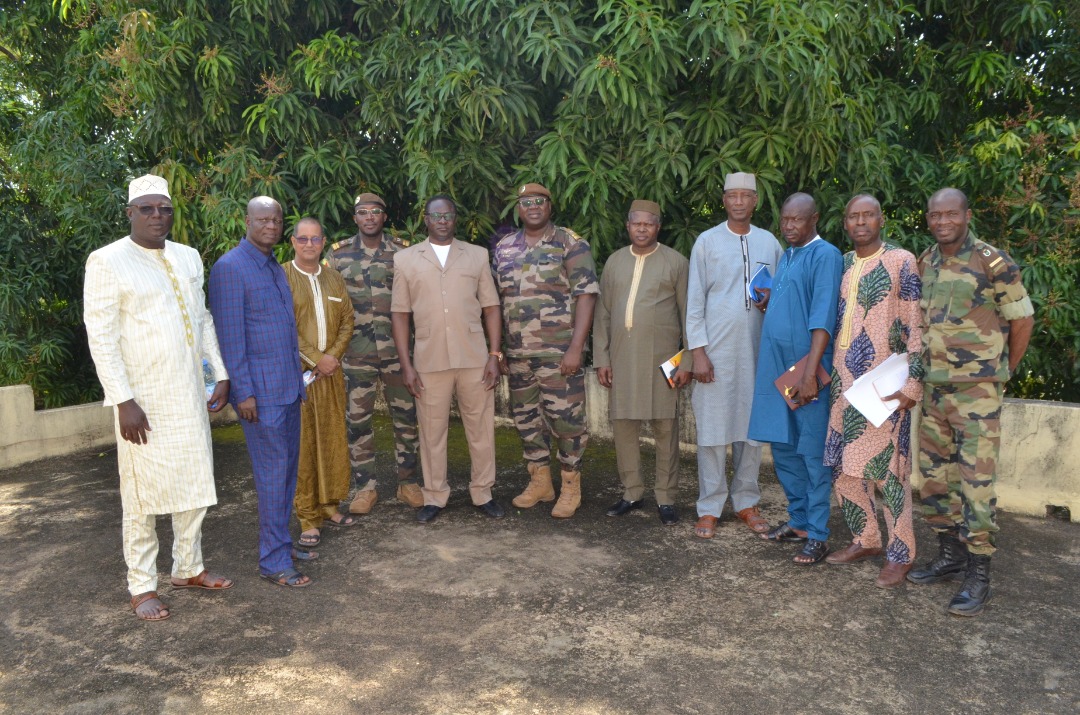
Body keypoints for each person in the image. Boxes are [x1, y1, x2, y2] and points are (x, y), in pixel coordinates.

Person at [84, 174, 233, 621]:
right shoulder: (108, 260)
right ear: (130, 212)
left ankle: (187, 568)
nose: (156, 216)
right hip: (142, 401)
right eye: (146, 209)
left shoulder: (187, 257)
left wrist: (219, 374)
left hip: (187, 394)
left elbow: (201, 319)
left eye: (164, 209)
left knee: (194, 484)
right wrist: (122, 399)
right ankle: (141, 584)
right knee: (142, 495)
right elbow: (102, 335)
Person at [908, 187, 1034, 616]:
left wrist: (1002, 372)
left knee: (976, 486)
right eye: (935, 215)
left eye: (951, 214)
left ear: (966, 215)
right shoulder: (926, 261)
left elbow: (1022, 319)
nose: (943, 221)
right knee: (933, 480)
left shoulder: (992, 261)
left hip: (978, 394)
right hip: (935, 392)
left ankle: (979, 574)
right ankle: (950, 554)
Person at [822, 195, 924, 588]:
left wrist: (913, 383)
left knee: (889, 475)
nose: (861, 222)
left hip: (883, 387)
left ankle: (902, 555)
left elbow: (915, 324)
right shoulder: (844, 264)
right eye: (853, 216)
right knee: (844, 472)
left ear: (881, 219)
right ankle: (866, 539)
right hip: (843, 387)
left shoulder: (901, 261)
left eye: (868, 215)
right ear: (845, 222)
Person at [209, 196, 311, 588]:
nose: (271, 225)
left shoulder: (272, 266)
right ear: (248, 221)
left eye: (277, 219)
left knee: (285, 475)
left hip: (287, 390)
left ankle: (281, 545)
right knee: (272, 477)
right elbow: (230, 338)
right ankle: (273, 561)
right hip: (261, 397)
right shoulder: (231, 268)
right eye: (263, 219)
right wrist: (244, 394)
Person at [390, 195, 504, 523]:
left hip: (474, 359)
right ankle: (435, 496)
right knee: (431, 431)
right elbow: (399, 315)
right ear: (425, 219)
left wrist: (494, 355)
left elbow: (491, 307)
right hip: (428, 361)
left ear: (456, 219)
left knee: (481, 428)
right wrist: (407, 365)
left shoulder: (477, 256)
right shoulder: (406, 259)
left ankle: (483, 492)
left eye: (448, 215)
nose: (442, 221)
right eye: (436, 216)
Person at [685, 172, 783, 539]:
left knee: (750, 432)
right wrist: (698, 353)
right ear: (723, 200)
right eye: (732, 196)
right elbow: (694, 301)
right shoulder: (706, 242)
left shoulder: (770, 242)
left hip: (757, 352)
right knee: (711, 431)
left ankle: (746, 501)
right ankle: (709, 506)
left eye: (746, 196)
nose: (739, 202)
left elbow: (779, 296)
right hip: (715, 352)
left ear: (756, 200)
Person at [493, 183, 599, 519]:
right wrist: (501, 352)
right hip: (518, 354)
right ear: (518, 208)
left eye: (539, 201)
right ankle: (540, 482)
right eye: (526, 202)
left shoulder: (570, 243)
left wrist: (576, 347)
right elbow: (497, 301)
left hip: (558, 354)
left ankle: (570, 487)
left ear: (550, 206)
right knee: (526, 421)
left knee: (567, 422)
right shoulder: (504, 248)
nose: (533, 207)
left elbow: (586, 295)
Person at [748, 192, 843, 565]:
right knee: (784, 447)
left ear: (814, 219)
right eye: (785, 219)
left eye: (797, 220)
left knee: (812, 452)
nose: (789, 226)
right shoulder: (787, 255)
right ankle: (800, 521)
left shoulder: (826, 255)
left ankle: (819, 535)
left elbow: (823, 318)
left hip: (807, 370)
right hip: (777, 367)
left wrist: (808, 375)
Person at [594, 200, 691, 525]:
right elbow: (603, 313)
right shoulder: (614, 262)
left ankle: (666, 497)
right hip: (621, 360)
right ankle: (632, 492)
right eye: (636, 223)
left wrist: (687, 358)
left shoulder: (675, 262)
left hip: (664, 362)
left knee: (666, 429)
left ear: (658, 226)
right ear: (628, 225)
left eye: (648, 224)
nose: (642, 229)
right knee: (624, 427)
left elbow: (688, 314)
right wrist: (602, 358)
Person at [326, 193, 423, 515]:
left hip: (400, 354)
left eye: (375, 212)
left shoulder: (403, 251)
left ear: (384, 216)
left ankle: (408, 482)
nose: (369, 217)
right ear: (355, 218)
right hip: (356, 354)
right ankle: (365, 488)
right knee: (357, 422)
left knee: (407, 419)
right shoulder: (338, 255)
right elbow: (330, 305)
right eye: (362, 212)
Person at [283, 217, 357, 550]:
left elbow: (348, 321)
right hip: (297, 376)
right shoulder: (282, 277)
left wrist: (332, 358)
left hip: (330, 374)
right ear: (293, 242)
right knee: (303, 446)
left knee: (332, 438)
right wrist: (316, 358)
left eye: (315, 239)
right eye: (303, 239)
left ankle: (330, 505)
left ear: (323, 241)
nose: (309, 245)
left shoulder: (334, 278)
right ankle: (308, 516)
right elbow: (284, 326)